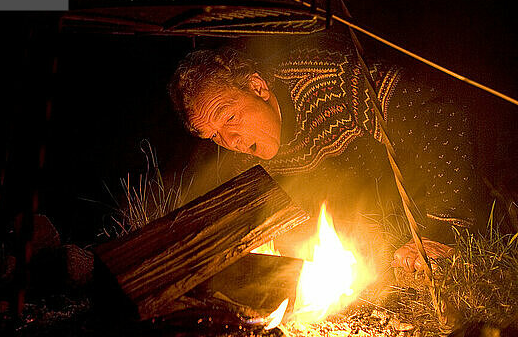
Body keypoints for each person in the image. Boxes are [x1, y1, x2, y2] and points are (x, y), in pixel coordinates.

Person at [168, 33, 518, 274]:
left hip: (458, 170)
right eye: (213, 134)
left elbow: (437, 117)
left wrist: (442, 231)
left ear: (258, 87)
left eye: (229, 117)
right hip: (373, 213)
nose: (229, 139)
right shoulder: (244, 152)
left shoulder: (330, 78)